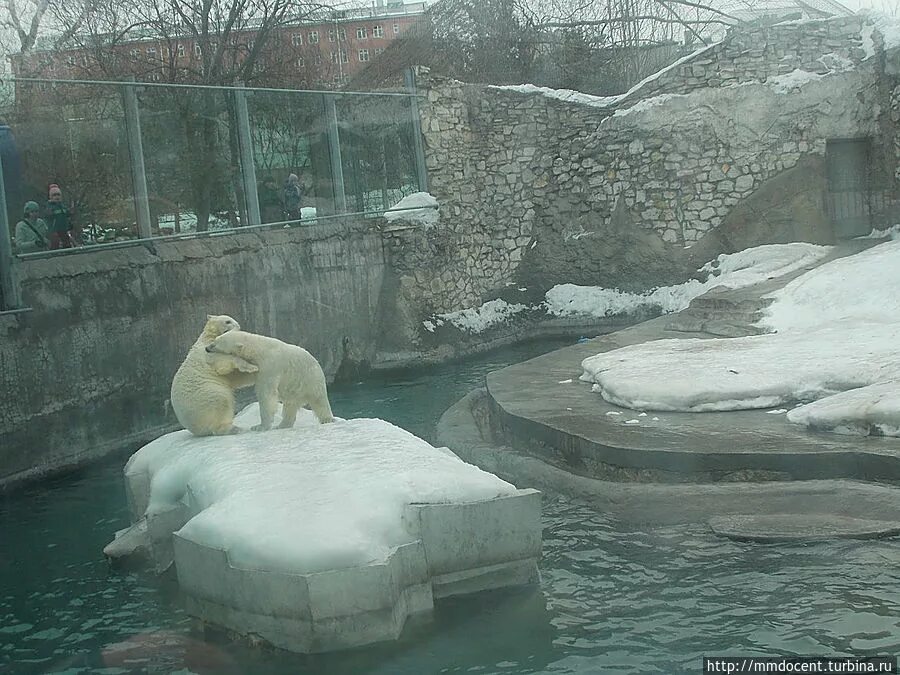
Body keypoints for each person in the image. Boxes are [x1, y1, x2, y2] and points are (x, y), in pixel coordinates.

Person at [45, 184, 78, 249]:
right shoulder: (50, 207)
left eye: (58, 195)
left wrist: (71, 212)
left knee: (67, 245)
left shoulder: (63, 207)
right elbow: (48, 217)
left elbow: (67, 215)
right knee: (55, 246)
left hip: (64, 230)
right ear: (50, 197)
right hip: (55, 231)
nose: (57, 197)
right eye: (54, 195)